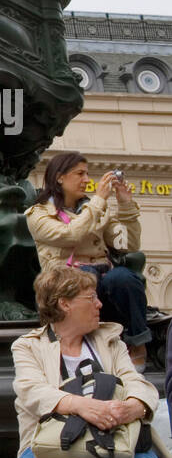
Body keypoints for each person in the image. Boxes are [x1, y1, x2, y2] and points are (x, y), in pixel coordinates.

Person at [12, 265, 167, 458]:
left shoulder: (110, 340)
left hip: (116, 438)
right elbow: (31, 391)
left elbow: (136, 381)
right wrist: (82, 406)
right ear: (65, 303)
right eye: (91, 297)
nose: (99, 304)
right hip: (48, 446)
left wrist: (134, 407)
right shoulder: (28, 346)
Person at [25, 152, 148, 367]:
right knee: (85, 280)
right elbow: (70, 235)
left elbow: (125, 245)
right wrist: (99, 200)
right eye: (80, 174)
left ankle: (138, 342)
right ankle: (88, 348)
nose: (87, 180)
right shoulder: (39, 213)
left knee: (124, 278)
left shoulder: (97, 209)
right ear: (59, 177)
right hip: (65, 280)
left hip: (102, 273)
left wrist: (126, 206)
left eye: (88, 174)